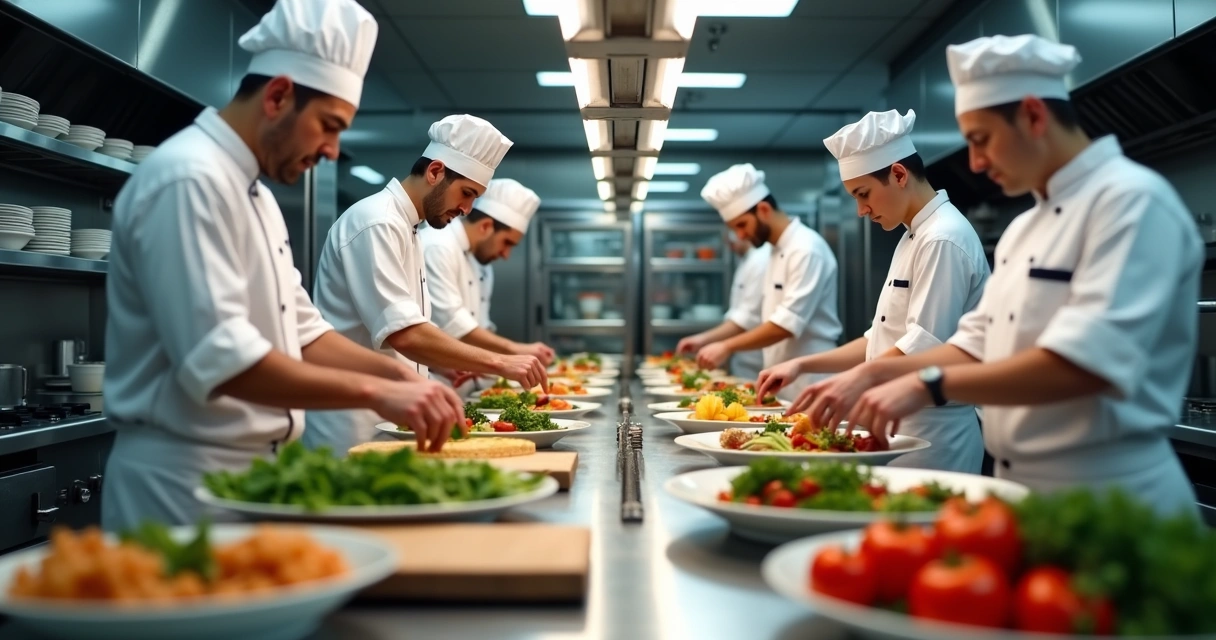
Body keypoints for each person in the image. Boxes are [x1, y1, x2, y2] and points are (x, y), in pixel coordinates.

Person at [100, 0, 466, 532]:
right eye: (328, 126)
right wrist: (379, 391)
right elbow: (223, 360)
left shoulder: (255, 196)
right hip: (182, 485)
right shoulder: (190, 180)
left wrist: (393, 370)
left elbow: (305, 330)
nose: (334, 150)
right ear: (277, 96)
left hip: (251, 477)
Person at [802, 34, 1202, 517]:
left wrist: (929, 385)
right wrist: (870, 374)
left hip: (1109, 496)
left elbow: (1084, 364)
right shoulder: (1025, 228)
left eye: (981, 139)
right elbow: (974, 340)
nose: (974, 163)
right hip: (1022, 490)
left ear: (1034, 116)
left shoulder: (1131, 203)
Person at [756, 109, 989, 472]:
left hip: (932, 437)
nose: (861, 210)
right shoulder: (914, 235)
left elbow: (925, 344)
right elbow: (878, 339)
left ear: (898, 174)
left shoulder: (943, 237)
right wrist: (803, 364)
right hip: (900, 423)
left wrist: (852, 381)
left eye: (863, 194)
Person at [305, 115, 548, 454]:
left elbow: (399, 331)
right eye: (466, 193)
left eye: (475, 198)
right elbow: (404, 333)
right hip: (354, 424)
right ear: (435, 172)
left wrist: (436, 365)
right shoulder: (378, 222)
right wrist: (501, 361)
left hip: (393, 416)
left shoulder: (409, 228)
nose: (466, 209)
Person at [677, 164, 842, 400]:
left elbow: (786, 324)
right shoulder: (775, 251)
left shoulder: (806, 249)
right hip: (782, 378)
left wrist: (726, 346)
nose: (740, 236)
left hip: (811, 380)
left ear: (763, 209)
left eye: (742, 225)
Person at [420, 178, 555, 395]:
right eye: (507, 243)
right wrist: (514, 350)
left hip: (462, 382)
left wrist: (512, 360)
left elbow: (479, 326)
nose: (505, 254)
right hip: (433, 383)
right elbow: (454, 323)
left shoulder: (481, 263)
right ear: (485, 226)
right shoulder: (439, 246)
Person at [724, 233, 769, 382]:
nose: (728, 244)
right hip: (744, 359)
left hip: (757, 361)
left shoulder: (760, 260)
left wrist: (723, 346)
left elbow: (747, 318)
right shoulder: (746, 260)